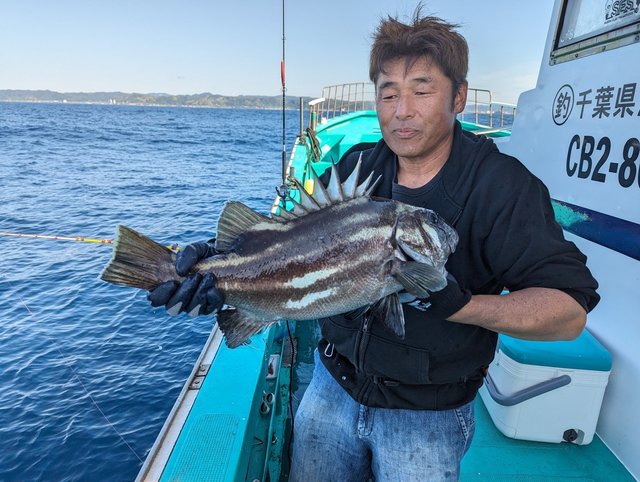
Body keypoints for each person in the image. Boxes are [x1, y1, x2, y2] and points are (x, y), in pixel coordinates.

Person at [148, 9, 600, 482]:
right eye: (388, 93)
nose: (401, 110)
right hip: (330, 388)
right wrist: (216, 262)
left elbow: (568, 314)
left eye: (422, 90)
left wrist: (459, 305)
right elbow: (283, 238)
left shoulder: (502, 187)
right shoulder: (354, 168)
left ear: (459, 97)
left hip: (429, 416)